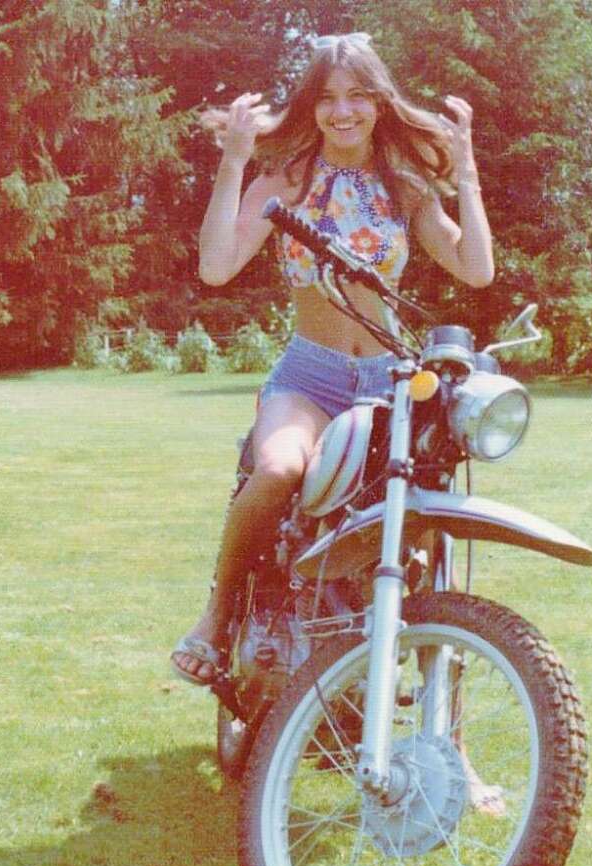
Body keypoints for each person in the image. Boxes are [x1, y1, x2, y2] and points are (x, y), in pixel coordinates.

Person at [171, 32, 494, 692]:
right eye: (326, 98)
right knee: (277, 468)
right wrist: (233, 161)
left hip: (389, 383)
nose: (341, 111)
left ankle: (447, 737)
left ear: (379, 103)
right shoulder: (286, 180)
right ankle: (216, 614)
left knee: (431, 538)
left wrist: (465, 173)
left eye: (355, 97)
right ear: (309, 107)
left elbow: (476, 269)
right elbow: (215, 266)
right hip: (309, 376)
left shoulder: (403, 186)